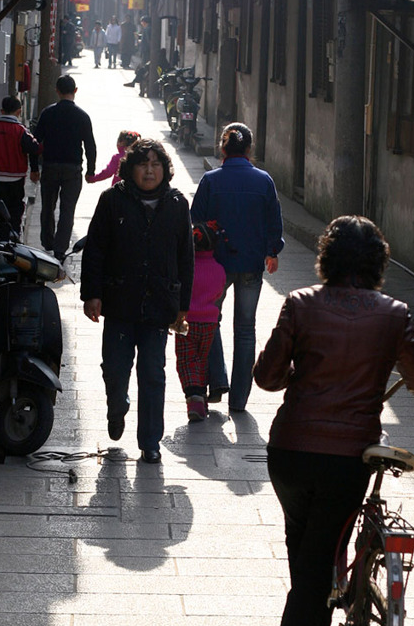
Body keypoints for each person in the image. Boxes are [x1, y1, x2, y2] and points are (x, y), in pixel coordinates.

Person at [253, 215, 414, 626]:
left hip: (290, 452)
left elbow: (267, 378)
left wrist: (299, 369)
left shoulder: (300, 304)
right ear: (379, 263)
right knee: (317, 554)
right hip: (347, 458)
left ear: (327, 258)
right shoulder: (393, 313)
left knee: (307, 545)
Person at [81, 138, 194, 464]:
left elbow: (186, 257)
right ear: (130, 169)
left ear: (165, 169)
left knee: (153, 374)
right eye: (143, 164)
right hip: (119, 301)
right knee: (115, 369)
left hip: (159, 305)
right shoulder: (112, 200)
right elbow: (96, 250)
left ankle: (150, 441)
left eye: (155, 164)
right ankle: (117, 407)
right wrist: (92, 294)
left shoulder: (176, 204)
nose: (149, 170)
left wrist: (182, 304)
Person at [191, 122, 284, 412]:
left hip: (216, 265)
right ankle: (239, 400)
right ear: (249, 148)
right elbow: (274, 223)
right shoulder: (264, 180)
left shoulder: (211, 180)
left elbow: (196, 222)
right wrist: (272, 252)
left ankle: (217, 380)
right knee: (245, 328)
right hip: (252, 265)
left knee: (210, 320)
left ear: (223, 147)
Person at [34, 74, 96, 261]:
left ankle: (47, 241)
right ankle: (60, 249)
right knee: (68, 210)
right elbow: (90, 146)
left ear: (57, 91)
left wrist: (33, 167)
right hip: (73, 169)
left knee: (48, 206)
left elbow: (35, 142)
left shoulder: (47, 113)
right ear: (75, 91)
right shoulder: (82, 116)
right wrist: (90, 171)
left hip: (50, 166)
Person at [174, 221, 227, 423]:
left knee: (186, 362)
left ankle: (194, 397)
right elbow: (218, 293)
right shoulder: (219, 270)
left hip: (186, 321)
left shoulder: (186, 269)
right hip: (210, 323)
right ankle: (202, 397)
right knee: (201, 360)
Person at [0, 96, 40, 237]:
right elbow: (34, 148)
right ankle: (14, 232)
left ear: (1, 111)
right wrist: (34, 169)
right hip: (16, 176)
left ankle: (2, 234)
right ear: (19, 111)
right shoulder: (21, 131)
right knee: (16, 206)